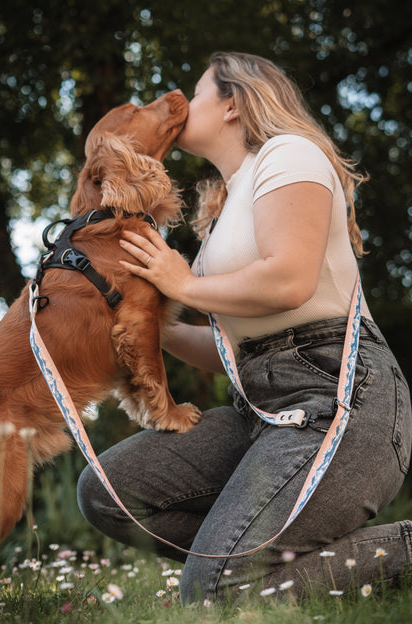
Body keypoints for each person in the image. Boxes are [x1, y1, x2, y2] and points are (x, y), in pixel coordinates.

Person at [77, 52, 412, 604]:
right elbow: (231, 347)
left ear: (233, 103)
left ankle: (241, 578)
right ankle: (271, 566)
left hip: (342, 396)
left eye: (198, 91)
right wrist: (138, 335)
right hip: (258, 405)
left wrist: (181, 285)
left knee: (213, 590)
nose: (183, 105)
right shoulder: (226, 206)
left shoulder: (289, 154)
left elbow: (288, 281)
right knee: (108, 491)